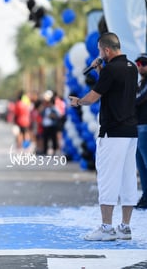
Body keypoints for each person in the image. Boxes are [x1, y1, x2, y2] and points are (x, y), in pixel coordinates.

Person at [69, 32, 138, 241]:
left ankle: (107, 228)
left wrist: (78, 102)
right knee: (127, 179)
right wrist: (101, 70)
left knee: (108, 178)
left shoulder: (111, 70)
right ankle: (125, 227)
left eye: (100, 50)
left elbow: (93, 97)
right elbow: (114, 88)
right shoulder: (131, 68)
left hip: (112, 132)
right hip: (129, 131)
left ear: (107, 50)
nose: (99, 53)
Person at [134, 53, 147, 209]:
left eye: (143, 63)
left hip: (144, 127)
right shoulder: (139, 84)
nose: (140, 66)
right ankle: (145, 195)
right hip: (137, 127)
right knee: (141, 165)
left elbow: (137, 100)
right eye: (138, 63)